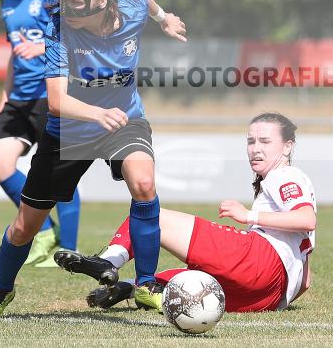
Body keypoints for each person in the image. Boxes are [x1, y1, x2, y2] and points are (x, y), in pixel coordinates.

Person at [0, 0, 187, 319]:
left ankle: (147, 284)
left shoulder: (131, 8)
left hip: (124, 121)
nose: (63, 3)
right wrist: (95, 112)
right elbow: (56, 102)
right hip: (68, 130)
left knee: (144, 184)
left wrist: (164, 18)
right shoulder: (58, 27)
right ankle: (1, 291)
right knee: (25, 227)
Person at [55, 112, 316, 313]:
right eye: (251, 141)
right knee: (180, 285)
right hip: (268, 297)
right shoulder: (281, 180)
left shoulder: (285, 175)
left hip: (260, 263)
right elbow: (305, 282)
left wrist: (249, 216)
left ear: (287, 147)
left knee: (150, 215)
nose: (255, 148)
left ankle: (109, 261)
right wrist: (279, 296)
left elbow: (306, 219)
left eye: (265, 141)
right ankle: (133, 289)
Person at [0, 0, 81, 267]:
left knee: (60, 174)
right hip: (19, 97)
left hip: (50, 93)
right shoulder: (8, 0)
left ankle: (67, 250)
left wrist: (42, 47)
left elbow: (77, 37)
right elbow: (15, 53)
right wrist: (5, 93)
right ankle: (43, 229)